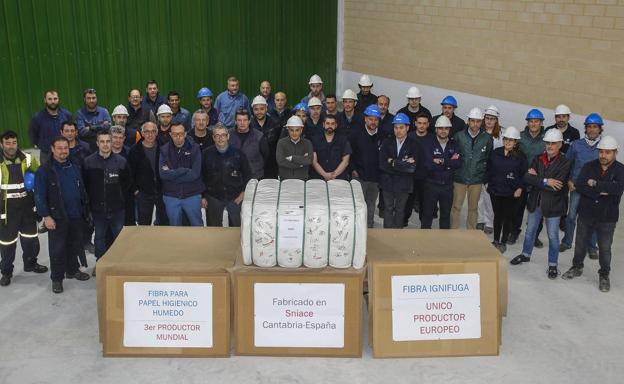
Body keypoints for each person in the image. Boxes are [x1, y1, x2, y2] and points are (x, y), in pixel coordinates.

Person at [561, 136, 624, 292]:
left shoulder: (621, 170)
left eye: (607, 152)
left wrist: (596, 184)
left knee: (604, 248)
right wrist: (603, 190)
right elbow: (580, 186)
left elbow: (618, 189)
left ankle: (604, 275)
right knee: (580, 243)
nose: (603, 155)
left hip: (607, 216)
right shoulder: (589, 166)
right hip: (586, 213)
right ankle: (577, 267)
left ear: (615, 153)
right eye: (601, 151)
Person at [510, 129, 571, 280]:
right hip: (535, 202)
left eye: (553, 143)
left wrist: (537, 179)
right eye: (548, 143)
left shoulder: (566, 163)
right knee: (530, 231)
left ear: (560, 145)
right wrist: (545, 181)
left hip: (554, 205)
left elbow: (558, 185)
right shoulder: (538, 158)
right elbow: (527, 177)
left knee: (553, 236)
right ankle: (525, 254)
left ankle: (552, 264)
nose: (550, 146)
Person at [35, 136, 91, 293]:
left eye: (65, 148)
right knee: (57, 249)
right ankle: (57, 278)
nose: (63, 151)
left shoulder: (74, 166)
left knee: (74, 245)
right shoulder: (45, 171)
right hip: (57, 217)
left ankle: (72, 270)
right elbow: (39, 195)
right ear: (52, 149)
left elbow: (81, 189)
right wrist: (46, 216)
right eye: (59, 148)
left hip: (76, 215)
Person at [0, 131, 47, 287]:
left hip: (26, 207)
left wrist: (34, 182)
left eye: (14, 142)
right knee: (7, 244)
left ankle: (31, 264)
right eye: (8, 143)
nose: (11, 146)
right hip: (7, 211)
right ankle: (6, 272)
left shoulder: (27, 159)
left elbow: (40, 174)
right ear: (1, 144)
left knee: (31, 238)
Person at [83, 130, 131, 273]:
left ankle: (119, 263)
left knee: (119, 237)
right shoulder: (88, 162)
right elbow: (86, 185)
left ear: (112, 143)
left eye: (108, 141)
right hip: (97, 210)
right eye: (102, 142)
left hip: (117, 209)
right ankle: (100, 263)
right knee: (99, 238)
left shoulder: (121, 162)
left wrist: (120, 199)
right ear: (97, 143)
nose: (105, 144)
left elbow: (127, 183)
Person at [560, 113, 603, 257]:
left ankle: (592, 247)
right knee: (571, 216)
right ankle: (567, 242)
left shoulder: (603, 147)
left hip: (594, 190)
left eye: (595, 127)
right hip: (576, 187)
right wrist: (569, 181)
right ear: (585, 128)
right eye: (589, 127)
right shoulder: (576, 145)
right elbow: (567, 164)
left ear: (599, 129)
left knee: (593, 218)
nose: (592, 130)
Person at [486, 127, 527, 253]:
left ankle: (503, 241)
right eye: (506, 139)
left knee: (507, 217)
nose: (508, 142)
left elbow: (524, 174)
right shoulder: (495, 152)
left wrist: (520, 187)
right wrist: (487, 182)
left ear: (516, 142)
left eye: (511, 140)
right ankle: (496, 240)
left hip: (511, 192)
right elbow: (489, 168)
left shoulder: (521, 157)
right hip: (495, 190)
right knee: (497, 216)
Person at [509, 109, 546, 245]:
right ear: (527, 122)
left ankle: (534, 236)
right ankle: (514, 231)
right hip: (522, 179)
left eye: (536, 121)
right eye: (531, 121)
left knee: (537, 210)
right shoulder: (520, 137)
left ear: (541, 123)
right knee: (516, 209)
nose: (533, 124)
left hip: (537, 181)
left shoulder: (546, 139)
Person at [451, 108, 493, 229]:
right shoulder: (459, 136)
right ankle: (453, 231)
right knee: (456, 207)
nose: (475, 124)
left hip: (476, 179)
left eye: (478, 121)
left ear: (481, 122)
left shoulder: (487, 138)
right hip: (460, 177)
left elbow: (488, 158)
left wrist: (484, 177)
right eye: (473, 121)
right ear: (468, 121)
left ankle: (471, 232)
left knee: (473, 208)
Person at [201, 125, 251, 227]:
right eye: (217, 135)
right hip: (213, 197)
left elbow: (248, 175)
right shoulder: (206, 154)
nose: (220, 138)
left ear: (228, 136)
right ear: (213, 138)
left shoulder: (239, 154)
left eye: (223, 135)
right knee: (214, 230)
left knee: (236, 230)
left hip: (235, 197)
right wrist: (202, 196)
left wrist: (242, 194)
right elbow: (201, 176)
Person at [379, 113, 420, 228]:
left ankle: (397, 233)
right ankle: (387, 233)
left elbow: (412, 168)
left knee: (400, 210)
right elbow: (382, 164)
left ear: (407, 128)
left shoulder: (414, 145)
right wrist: (403, 164)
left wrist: (393, 162)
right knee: (388, 209)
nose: (398, 130)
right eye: (396, 127)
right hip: (388, 182)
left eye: (401, 127)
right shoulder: (387, 143)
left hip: (404, 184)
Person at [420, 115, 462, 229]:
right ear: (436, 129)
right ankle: (423, 239)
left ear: (449, 130)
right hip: (431, 185)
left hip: (447, 187)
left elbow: (457, 164)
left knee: (445, 216)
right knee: (427, 215)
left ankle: (444, 242)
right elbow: (429, 165)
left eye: (446, 128)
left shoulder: (454, 144)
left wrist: (441, 161)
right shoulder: (428, 143)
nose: (443, 131)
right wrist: (449, 163)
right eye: (441, 128)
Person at [159, 123, 204, 226]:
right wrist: (183, 170)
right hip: (171, 196)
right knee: (174, 228)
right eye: (175, 134)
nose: (178, 137)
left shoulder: (195, 148)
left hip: (192, 195)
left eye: (180, 134)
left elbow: (195, 174)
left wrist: (173, 174)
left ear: (185, 134)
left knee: (197, 226)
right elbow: (163, 174)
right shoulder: (164, 150)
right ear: (170, 134)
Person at [59, 121, 92, 263]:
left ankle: (86, 241)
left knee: (87, 218)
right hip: (66, 192)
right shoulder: (57, 149)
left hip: (85, 189)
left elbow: (90, 166)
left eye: (72, 130)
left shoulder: (85, 147)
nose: (70, 133)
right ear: (62, 132)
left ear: (76, 132)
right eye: (67, 131)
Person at [128, 122, 168, 226]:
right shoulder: (134, 150)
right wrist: (136, 190)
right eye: (147, 132)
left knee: (164, 222)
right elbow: (130, 173)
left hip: (162, 191)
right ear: (142, 133)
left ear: (157, 133)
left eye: (153, 131)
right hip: (143, 193)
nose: (150, 135)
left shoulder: (164, 147)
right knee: (144, 224)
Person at [350, 105, 383, 228]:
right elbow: (349, 154)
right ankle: (357, 228)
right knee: (358, 204)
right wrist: (353, 169)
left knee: (371, 204)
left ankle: (369, 227)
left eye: (376, 119)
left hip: (375, 178)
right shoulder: (355, 134)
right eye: (370, 119)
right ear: (365, 119)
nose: (373, 122)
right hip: (359, 177)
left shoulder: (383, 136)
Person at [476, 105, 504, 233]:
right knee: (478, 197)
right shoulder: (478, 132)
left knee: (489, 198)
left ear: (496, 120)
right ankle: (480, 220)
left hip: (493, 172)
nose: (489, 121)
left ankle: (489, 222)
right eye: (487, 118)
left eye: (492, 119)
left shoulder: (501, 135)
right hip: (478, 169)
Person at [28, 89, 72, 164]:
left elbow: (72, 132)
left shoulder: (66, 115)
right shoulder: (37, 117)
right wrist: (43, 145)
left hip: (64, 153)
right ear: (45, 100)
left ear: (58, 99)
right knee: (48, 175)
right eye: (50, 99)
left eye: (55, 99)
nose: (53, 102)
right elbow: (33, 135)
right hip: (46, 155)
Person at [405, 114, 431, 226]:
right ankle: (404, 221)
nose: (422, 126)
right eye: (419, 123)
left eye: (424, 123)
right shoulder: (408, 136)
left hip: (426, 177)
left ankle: (424, 226)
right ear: (415, 123)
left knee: (425, 203)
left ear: (428, 125)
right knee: (407, 201)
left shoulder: (432, 138)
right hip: (410, 176)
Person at [229, 109, 269, 180]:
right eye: (239, 120)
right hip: (233, 177)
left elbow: (265, 156)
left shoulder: (259, 136)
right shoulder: (228, 135)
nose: (242, 123)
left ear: (249, 121)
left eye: (245, 120)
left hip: (255, 176)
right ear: (235, 121)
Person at [311, 115, 351, 180]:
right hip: (318, 179)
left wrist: (333, 175)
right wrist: (324, 175)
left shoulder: (343, 140)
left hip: (338, 179)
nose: (330, 126)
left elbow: (345, 161)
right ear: (323, 124)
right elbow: (314, 161)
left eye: (332, 124)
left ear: (336, 125)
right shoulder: (315, 139)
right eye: (327, 123)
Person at [250, 96, 281, 179]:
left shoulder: (275, 124)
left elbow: (279, 145)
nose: (259, 112)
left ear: (266, 108)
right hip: (254, 168)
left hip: (272, 166)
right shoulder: (249, 125)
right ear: (252, 110)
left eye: (261, 109)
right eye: (256, 109)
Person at [276, 116, 313, 180]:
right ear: (288, 130)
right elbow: (280, 161)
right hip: (285, 179)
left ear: (301, 130)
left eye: (297, 130)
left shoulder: (307, 143)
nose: (294, 133)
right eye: (291, 130)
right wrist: (300, 164)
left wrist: (292, 158)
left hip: (302, 179)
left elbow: (309, 160)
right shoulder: (281, 143)